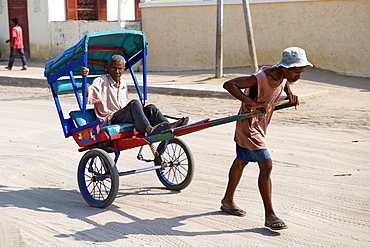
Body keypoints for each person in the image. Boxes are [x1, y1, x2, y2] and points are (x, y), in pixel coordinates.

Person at [220, 47, 313, 230]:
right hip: (248, 125)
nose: (298, 77)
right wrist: (253, 103)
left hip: (260, 124)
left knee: (241, 161)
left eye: (301, 72)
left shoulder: (282, 75)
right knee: (266, 164)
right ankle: (270, 215)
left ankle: (228, 200)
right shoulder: (259, 78)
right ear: (284, 67)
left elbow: (283, 82)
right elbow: (229, 84)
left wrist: (290, 94)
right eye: (296, 72)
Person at [80, 55, 189, 136]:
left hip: (123, 115)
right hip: (110, 118)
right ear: (109, 68)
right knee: (134, 103)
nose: (117, 71)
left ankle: (168, 126)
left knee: (151, 108)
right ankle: (148, 130)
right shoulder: (101, 80)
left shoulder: (123, 83)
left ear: (123, 69)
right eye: (114, 68)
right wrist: (84, 79)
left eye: (120, 69)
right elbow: (88, 95)